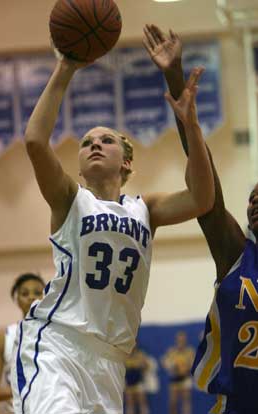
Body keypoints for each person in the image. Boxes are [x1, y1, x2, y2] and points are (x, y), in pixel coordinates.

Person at [10, 42, 215, 414]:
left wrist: (191, 125)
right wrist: (65, 68)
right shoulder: (70, 199)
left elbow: (203, 198)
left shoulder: (145, 209)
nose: (95, 145)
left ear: (127, 162)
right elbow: (36, 142)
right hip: (58, 345)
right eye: (87, 142)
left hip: (111, 362)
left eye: (106, 140)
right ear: (78, 167)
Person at [143, 24, 258, 414]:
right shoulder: (236, 252)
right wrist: (176, 83)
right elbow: (207, 185)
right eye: (252, 200)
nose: (255, 204)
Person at [0, 273, 45, 413]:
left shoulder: (58, 335)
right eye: (24, 293)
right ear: (16, 299)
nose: (31, 297)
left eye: (37, 292)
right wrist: (24, 389)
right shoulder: (3, 339)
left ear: (46, 297)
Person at [161, 331, 195, 414]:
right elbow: (164, 362)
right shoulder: (172, 351)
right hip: (174, 379)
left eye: (183, 339)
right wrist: (171, 365)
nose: (181, 341)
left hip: (185, 378)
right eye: (179, 339)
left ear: (185, 340)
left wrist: (186, 367)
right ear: (176, 340)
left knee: (186, 401)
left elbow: (193, 364)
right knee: (173, 402)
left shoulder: (190, 351)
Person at [125, 346, 150, 414]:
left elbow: (147, 367)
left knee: (142, 403)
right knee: (130, 404)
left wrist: (143, 365)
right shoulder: (125, 355)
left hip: (139, 383)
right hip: (129, 384)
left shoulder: (140, 355)